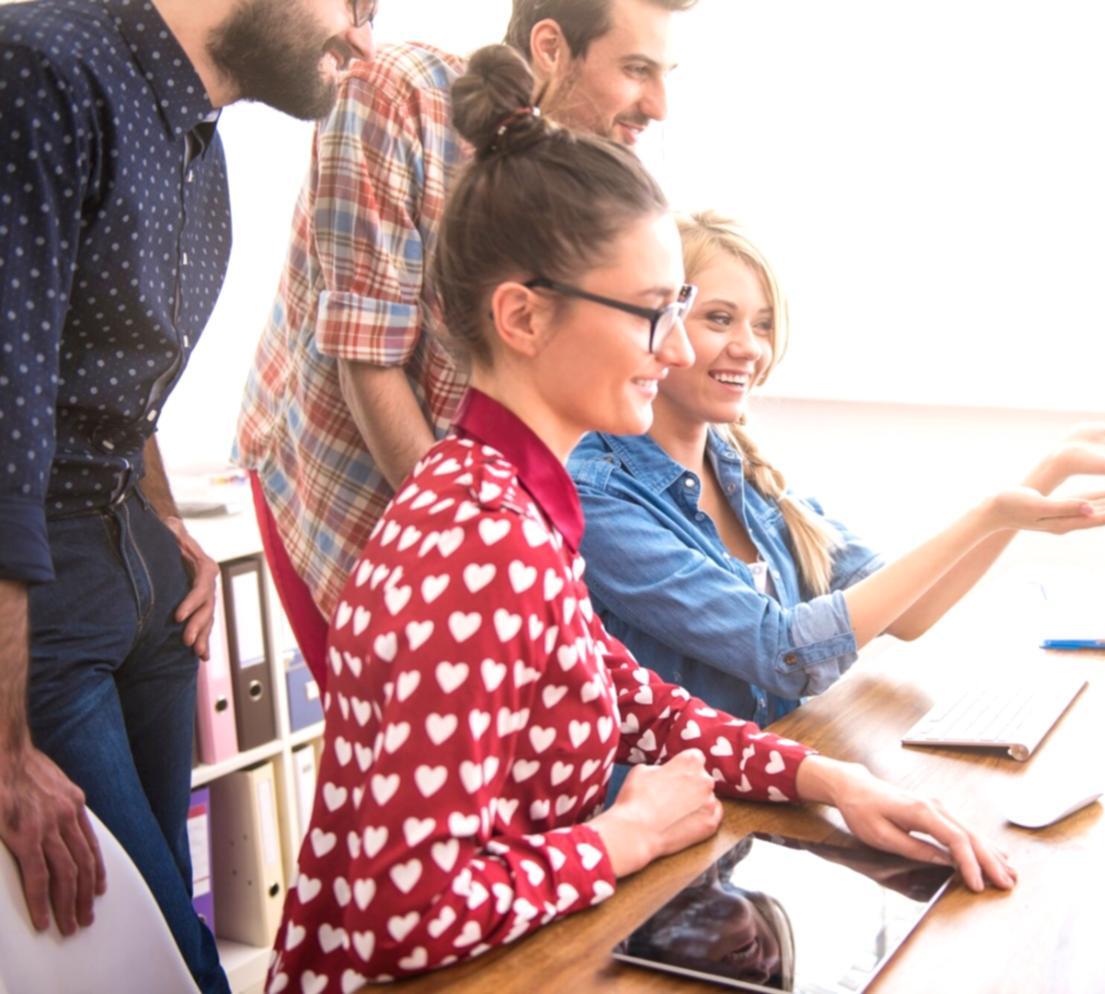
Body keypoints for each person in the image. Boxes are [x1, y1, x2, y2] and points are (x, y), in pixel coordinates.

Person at [267, 46, 1015, 994]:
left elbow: (632, 700)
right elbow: (400, 913)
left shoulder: (512, 496)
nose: (673, 350)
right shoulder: (477, 539)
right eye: (651, 314)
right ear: (522, 318)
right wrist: (621, 838)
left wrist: (833, 783)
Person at [0, 0, 373, 990]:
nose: (363, 39)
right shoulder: (37, 69)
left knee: (151, 942)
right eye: (357, 4)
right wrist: (3, 751)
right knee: (163, 959)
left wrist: (162, 519)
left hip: (142, 571)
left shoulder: (197, 145)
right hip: (43, 600)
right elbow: (2, 416)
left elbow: (109, 376)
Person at [569, 211, 1105, 726]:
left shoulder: (739, 466)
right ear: (661, 324)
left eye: (763, 325)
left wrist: (1044, 474)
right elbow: (784, 653)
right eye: (719, 319)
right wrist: (990, 512)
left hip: (772, 785)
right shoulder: (596, 493)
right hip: (677, 821)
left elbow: (906, 612)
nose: (749, 347)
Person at [234, 0, 694, 690]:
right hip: (347, 477)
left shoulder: (586, 173)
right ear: (550, 47)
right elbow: (369, 358)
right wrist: (470, 550)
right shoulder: (398, 92)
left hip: (478, 506)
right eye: (635, 70)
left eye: (665, 73)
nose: (657, 104)